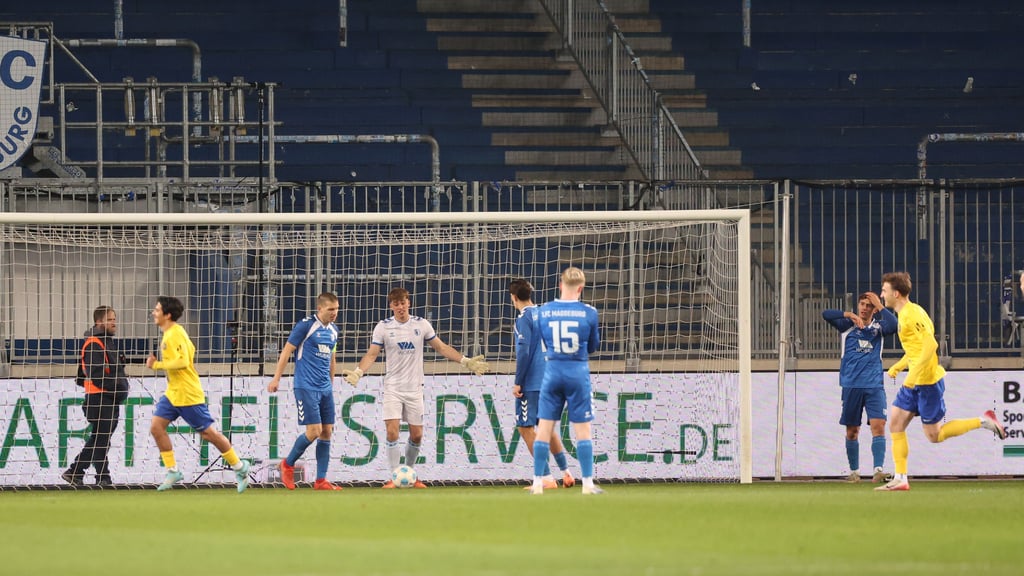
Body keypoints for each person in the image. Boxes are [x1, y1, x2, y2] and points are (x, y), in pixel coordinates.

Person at [343, 287, 490, 488]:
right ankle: (394, 477)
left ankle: (409, 474)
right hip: (393, 388)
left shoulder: (421, 324)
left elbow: (441, 347)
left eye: (403, 303)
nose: (400, 307)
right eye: (396, 304)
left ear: (409, 303)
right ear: (391, 306)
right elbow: (372, 354)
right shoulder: (383, 327)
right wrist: (358, 371)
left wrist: (465, 361)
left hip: (415, 389)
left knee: (417, 435)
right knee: (392, 432)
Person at [875, 272, 1007, 492]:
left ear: (896, 293)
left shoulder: (912, 314)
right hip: (914, 381)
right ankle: (901, 478)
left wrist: (912, 376)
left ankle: (983, 421)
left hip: (927, 383)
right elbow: (916, 349)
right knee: (895, 424)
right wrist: (900, 365)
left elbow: (930, 346)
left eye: (884, 291)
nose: (882, 295)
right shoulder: (906, 313)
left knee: (935, 436)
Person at [146, 296, 250, 493]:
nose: (154, 312)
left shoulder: (175, 334)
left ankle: (239, 466)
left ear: (167, 315)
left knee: (208, 434)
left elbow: (183, 361)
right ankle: (173, 471)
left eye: (157, 310)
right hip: (173, 393)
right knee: (156, 427)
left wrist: (157, 365)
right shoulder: (170, 333)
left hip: (187, 393)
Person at [530, 267, 603, 495]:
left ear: (560, 285)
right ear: (581, 288)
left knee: (544, 428)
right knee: (583, 429)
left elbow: (544, 341)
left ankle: (538, 483)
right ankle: (588, 484)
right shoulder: (589, 313)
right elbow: (593, 346)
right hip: (577, 372)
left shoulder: (544, 311)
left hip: (552, 371)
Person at [268, 292, 344, 491]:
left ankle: (321, 480)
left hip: (325, 388)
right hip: (306, 386)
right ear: (320, 309)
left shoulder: (334, 330)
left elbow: (332, 358)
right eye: (331, 309)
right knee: (314, 431)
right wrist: (276, 378)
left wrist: (331, 382)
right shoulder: (306, 325)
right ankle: (287, 464)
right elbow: (287, 351)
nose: (334, 313)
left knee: (327, 431)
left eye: (337, 309)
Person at [822, 292, 898, 484]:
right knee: (852, 431)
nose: (864, 308)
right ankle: (854, 472)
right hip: (851, 385)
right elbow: (826, 314)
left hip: (874, 385)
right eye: (862, 304)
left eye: (869, 305)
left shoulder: (879, 328)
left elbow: (894, 325)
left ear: (874, 309)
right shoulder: (847, 326)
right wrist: (848, 314)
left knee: (879, 426)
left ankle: (878, 470)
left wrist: (880, 305)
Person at [509, 278, 574, 490]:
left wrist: (518, 382)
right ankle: (566, 472)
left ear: (513, 297)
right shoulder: (545, 313)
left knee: (525, 428)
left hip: (533, 382)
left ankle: (546, 477)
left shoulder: (523, 318)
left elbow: (524, 351)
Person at [62, 305, 130, 487]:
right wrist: (117, 387)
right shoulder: (94, 344)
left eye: (114, 319)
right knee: (101, 439)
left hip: (107, 398)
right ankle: (79, 471)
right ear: (99, 322)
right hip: (100, 398)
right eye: (110, 320)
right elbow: (97, 374)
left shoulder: (104, 342)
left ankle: (99, 476)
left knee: (101, 439)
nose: (114, 323)